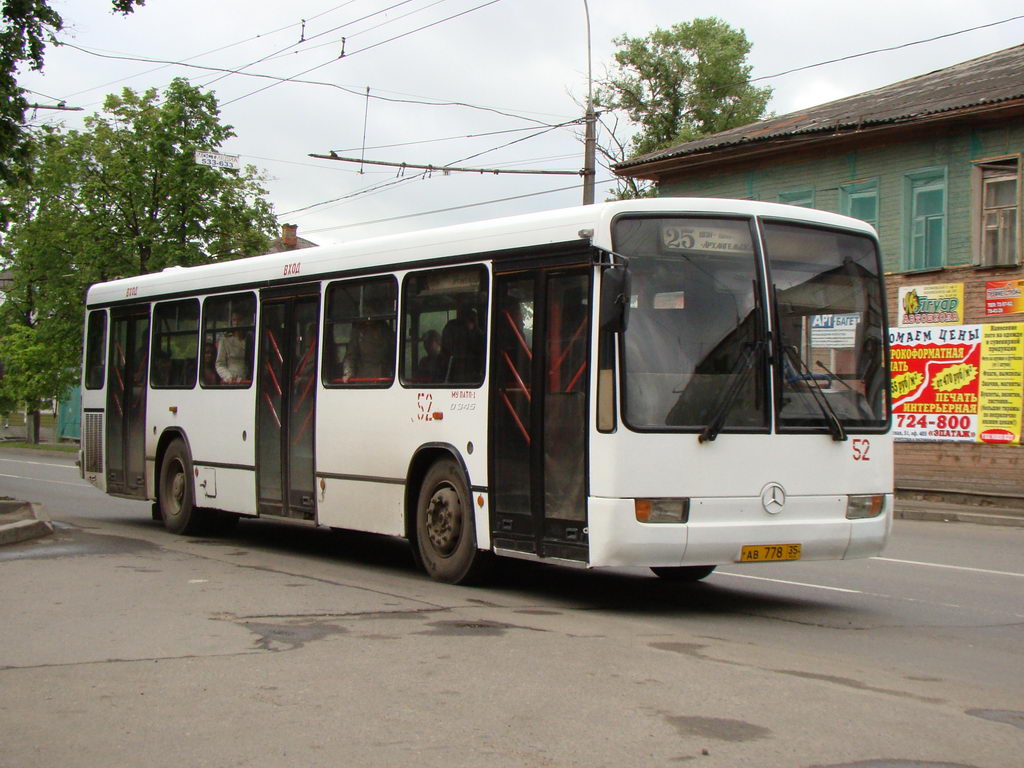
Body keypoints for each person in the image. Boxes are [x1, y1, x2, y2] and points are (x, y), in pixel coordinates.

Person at [215, 311, 250, 384]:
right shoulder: (225, 340)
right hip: (232, 382)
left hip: (248, 381)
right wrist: (228, 377)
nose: (236, 323)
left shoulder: (250, 340)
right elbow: (219, 364)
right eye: (234, 320)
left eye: (239, 320)